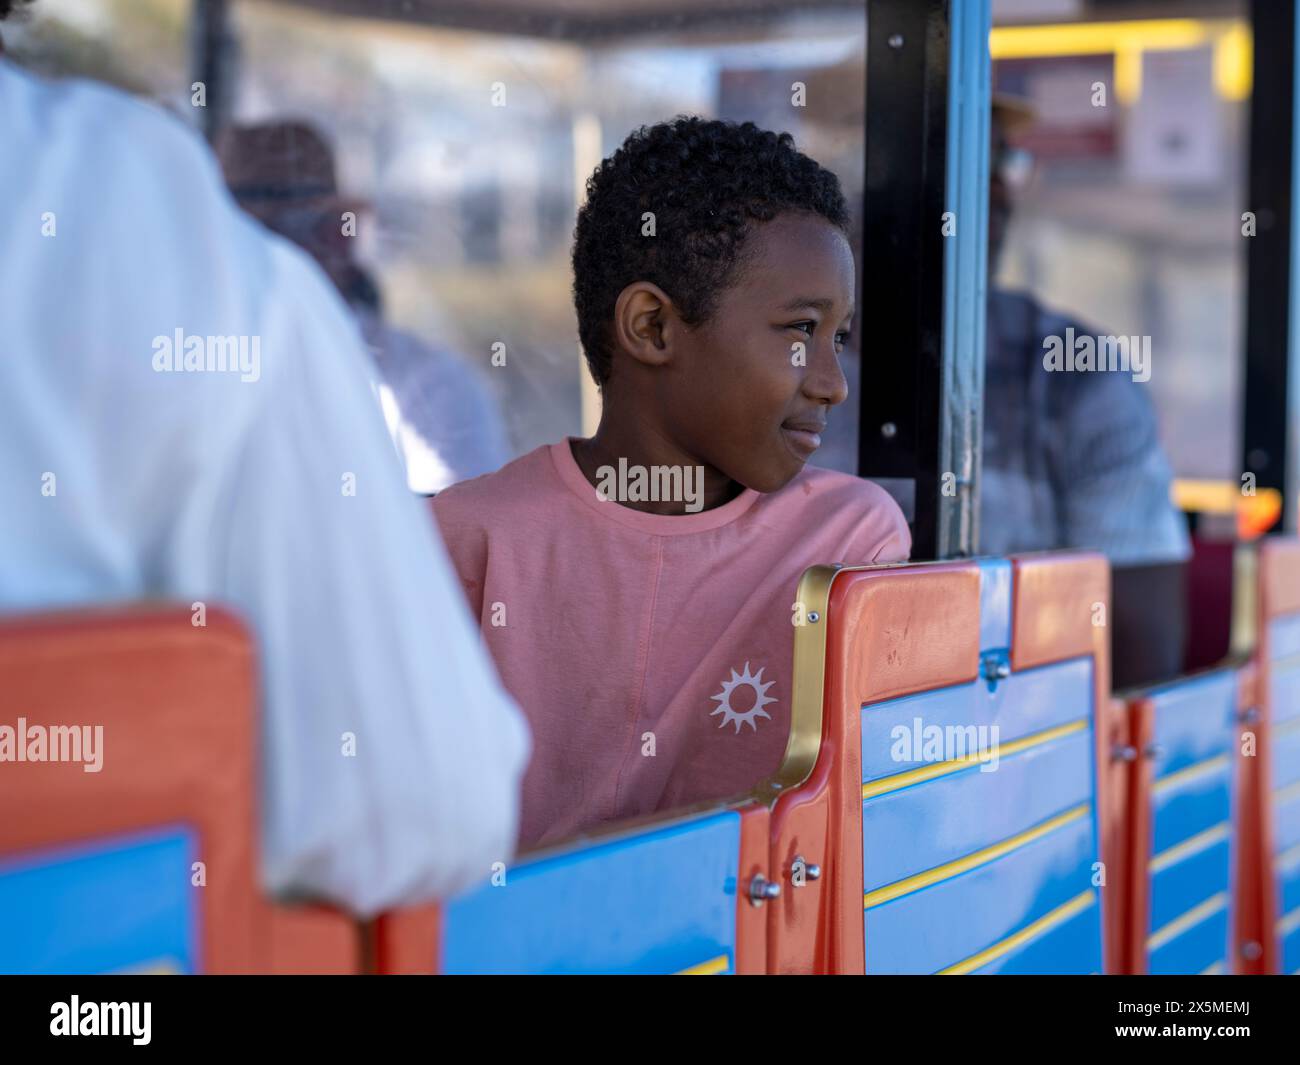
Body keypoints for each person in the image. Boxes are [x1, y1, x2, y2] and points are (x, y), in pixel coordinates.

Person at [0, 36, 529, 915]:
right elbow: (419, 802)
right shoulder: (188, 267)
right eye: (267, 209)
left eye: (325, 213)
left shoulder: (431, 380)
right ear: (224, 214)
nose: (311, 236)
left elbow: (467, 559)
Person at [432, 117, 911, 849]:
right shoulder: (468, 541)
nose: (832, 383)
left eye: (837, 338)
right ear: (652, 326)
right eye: (799, 332)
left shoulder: (848, 543)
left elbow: (858, 834)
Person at [983, 96, 1190, 689]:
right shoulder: (754, 361)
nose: (999, 188)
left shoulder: (1073, 374)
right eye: (965, 158)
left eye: (1005, 160)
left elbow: (1141, 665)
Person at [215, 121, 511, 493]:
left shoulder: (427, 384)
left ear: (338, 237)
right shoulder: (202, 369)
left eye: (291, 229)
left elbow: (466, 535)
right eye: (243, 237)